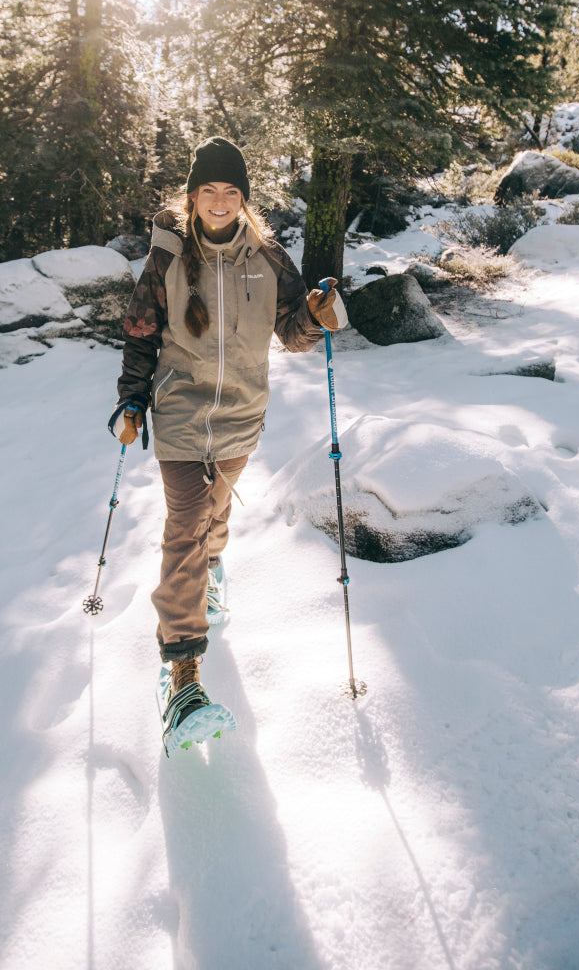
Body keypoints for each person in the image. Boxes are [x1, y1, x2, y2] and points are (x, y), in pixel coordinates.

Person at [110, 136, 347, 754]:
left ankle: (212, 569)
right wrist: (131, 401)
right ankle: (183, 676)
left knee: (214, 513)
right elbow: (139, 332)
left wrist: (317, 316)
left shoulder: (268, 258)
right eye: (208, 191)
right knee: (186, 521)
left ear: (244, 199)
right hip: (182, 414)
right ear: (192, 196)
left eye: (231, 192)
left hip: (242, 417)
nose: (219, 202)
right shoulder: (167, 257)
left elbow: (291, 330)